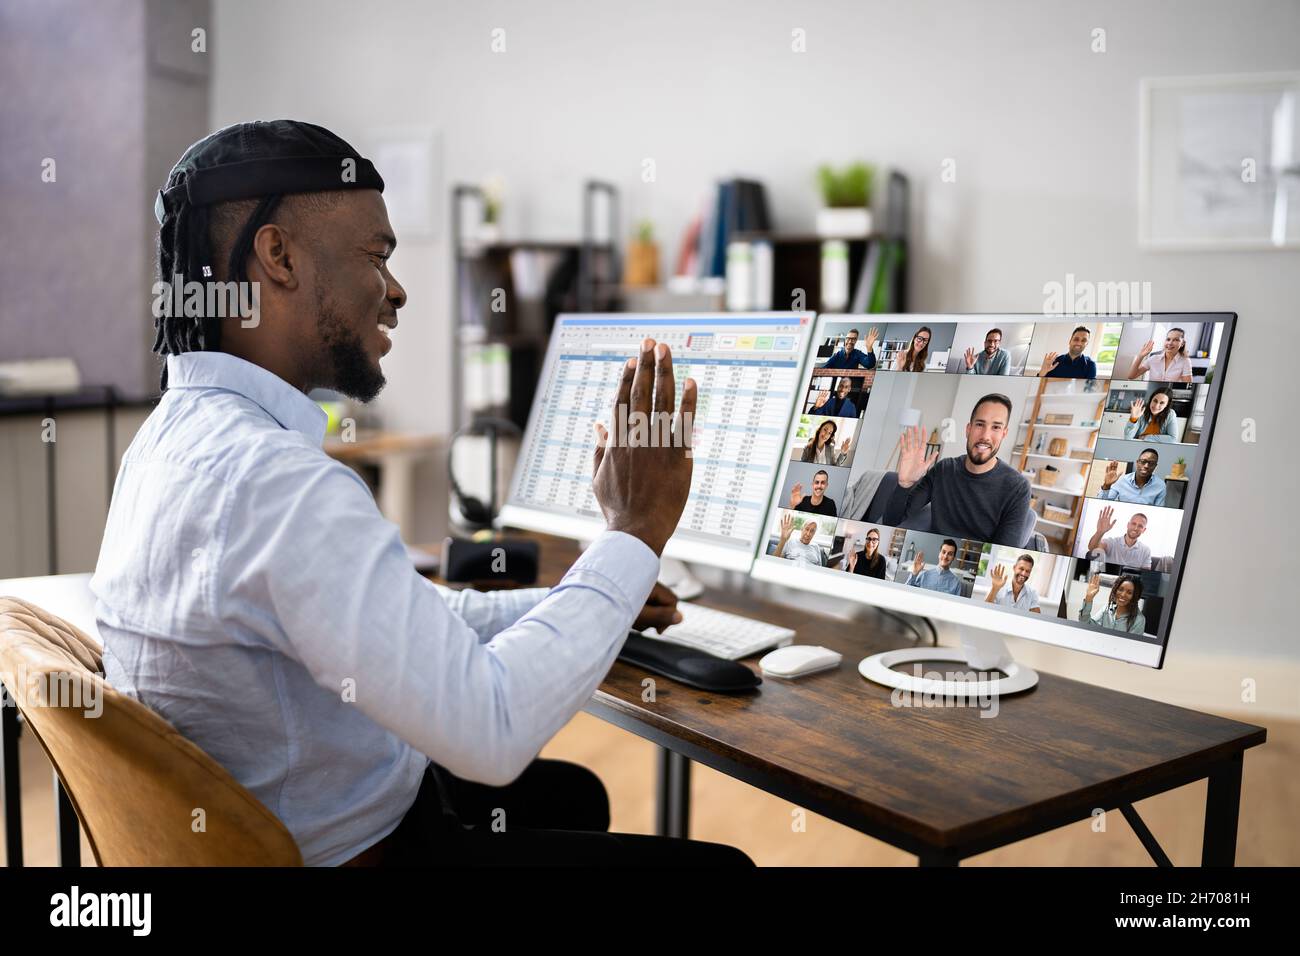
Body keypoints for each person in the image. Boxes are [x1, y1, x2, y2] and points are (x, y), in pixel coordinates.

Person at [89, 121, 750, 868]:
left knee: (570, 797)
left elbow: (399, 616)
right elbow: (492, 731)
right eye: (377, 256)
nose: (396, 290)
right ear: (279, 258)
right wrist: (633, 533)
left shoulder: (165, 444)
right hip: (358, 852)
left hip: (287, 825)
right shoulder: (280, 485)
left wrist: (584, 595)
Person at [884, 394, 1032, 546]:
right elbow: (892, 522)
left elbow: (1001, 554)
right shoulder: (943, 469)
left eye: (996, 427)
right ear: (968, 429)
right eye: (980, 424)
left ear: (1004, 434)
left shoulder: (1018, 488)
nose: (985, 436)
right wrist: (904, 484)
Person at [1086, 505, 1152, 568]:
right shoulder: (1111, 542)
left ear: (1144, 530)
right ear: (1128, 525)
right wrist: (1100, 532)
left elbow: (1146, 574)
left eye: (1140, 526)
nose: (1135, 528)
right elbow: (1092, 548)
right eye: (1133, 524)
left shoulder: (1146, 550)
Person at [1080, 572, 1146, 634]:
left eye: (1129, 592)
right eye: (1120, 589)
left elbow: (1131, 645)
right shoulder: (1107, 608)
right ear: (1115, 589)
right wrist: (1089, 597)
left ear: (1135, 596)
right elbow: (1085, 624)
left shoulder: (1139, 620)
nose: (1123, 594)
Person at [1097, 448, 1167, 506]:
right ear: (1137, 462)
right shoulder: (1122, 480)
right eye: (1143, 461)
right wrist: (1106, 485)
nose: (1146, 466)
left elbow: (1158, 511)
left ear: (1155, 466)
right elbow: (1102, 504)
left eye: (1151, 463)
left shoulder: (1160, 486)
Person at [1127, 327, 1193, 383]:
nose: (1170, 343)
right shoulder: (1154, 359)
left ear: (1182, 343)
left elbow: (1187, 385)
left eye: (1176, 340)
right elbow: (1131, 376)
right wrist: (1140, 356)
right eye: (1168, 339)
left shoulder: (1185, 361)